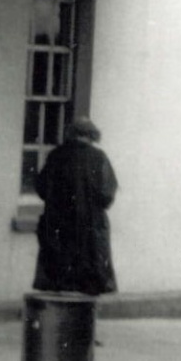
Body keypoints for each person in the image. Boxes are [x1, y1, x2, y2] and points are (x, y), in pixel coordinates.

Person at [33, 116, 118, 296]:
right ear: (91, 135)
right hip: (89, 232)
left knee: (60, 283)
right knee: (89, 286)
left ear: (71, 133)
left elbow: (41, 188)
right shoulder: (99, 158)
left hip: (60, 230)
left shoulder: (56, 156)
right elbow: (107, 196)